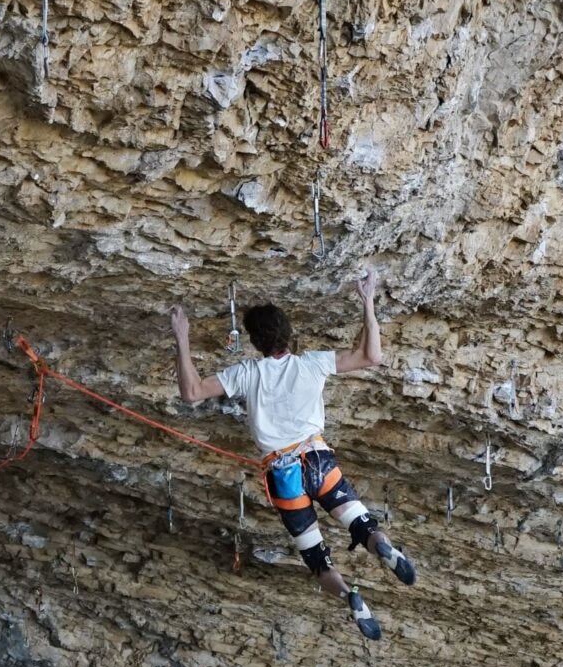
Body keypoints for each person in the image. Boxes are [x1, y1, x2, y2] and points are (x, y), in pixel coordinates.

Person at [170, 271, 415, 640]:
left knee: (317, 558)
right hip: (318, 460)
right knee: (361, 524)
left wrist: (182, 338)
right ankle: (381, 545)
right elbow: (371, 355)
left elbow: (191, 392)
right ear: (288, 333)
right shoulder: (311, 363)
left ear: (254, 340)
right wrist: (367, 302)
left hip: (283, 474)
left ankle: (351, 597)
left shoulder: (247, 372)